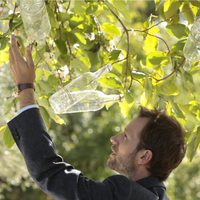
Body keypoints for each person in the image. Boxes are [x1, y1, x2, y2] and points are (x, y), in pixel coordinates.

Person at [8, 34, 186, 200]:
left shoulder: (126, 193)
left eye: (125, 137)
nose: (113, 139)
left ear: (144, 157)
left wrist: (25, 88)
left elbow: (52, 174)